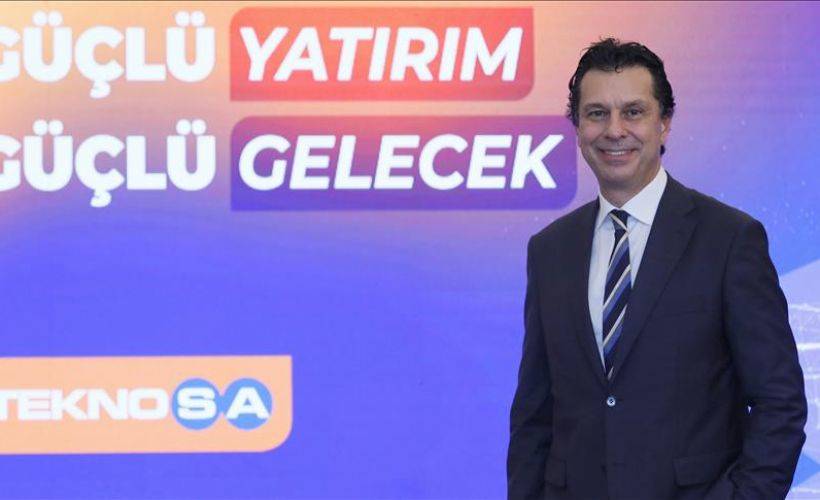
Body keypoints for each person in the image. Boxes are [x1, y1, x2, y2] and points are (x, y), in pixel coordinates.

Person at [507, 38, 807, 499]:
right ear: (578, 128)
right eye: (596, 113)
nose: (614, 130)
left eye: (633, 112)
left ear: (664, 122)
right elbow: (534, 415)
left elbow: (779, 403)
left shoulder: (729, 240)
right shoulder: (549, 250)